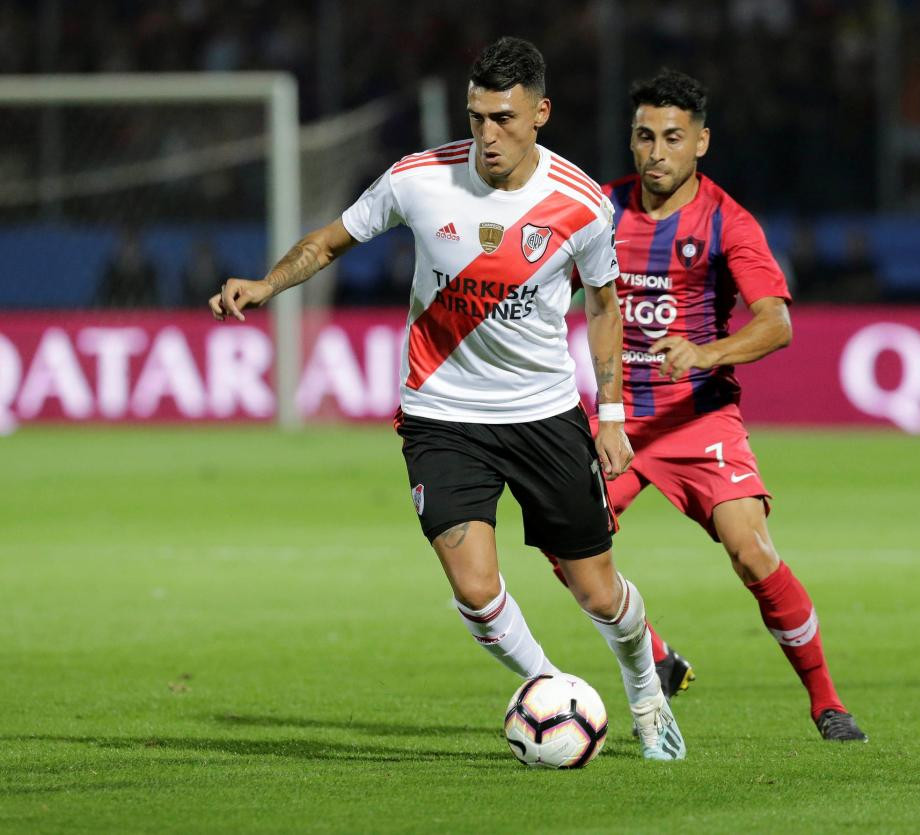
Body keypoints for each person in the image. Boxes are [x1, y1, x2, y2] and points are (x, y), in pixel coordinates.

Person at [208, 37, 685, 761]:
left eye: (502, 118)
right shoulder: (418, 179)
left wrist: (612, 414)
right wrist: (268, 284)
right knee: (474, 586)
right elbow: (331, 241)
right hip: (441, 414)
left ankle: (646, 693)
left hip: (544, 415)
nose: (487, 136)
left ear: (540, 114)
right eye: (476, 118)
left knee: (596, 590)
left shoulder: (582, 204)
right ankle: (552, 689)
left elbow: (602, 307)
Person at [544, 69, 866, 741]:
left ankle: (827, 702)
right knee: (560, 536)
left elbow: (776, 322)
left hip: (699, 416)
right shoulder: (598, 209)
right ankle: (656, 654)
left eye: (671, 137)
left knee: (751, 553)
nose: (656, 151)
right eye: (643, 136)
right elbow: (540, 284)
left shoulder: (727, 221)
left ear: (701, 143)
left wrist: (706, 351)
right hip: (618, 417)